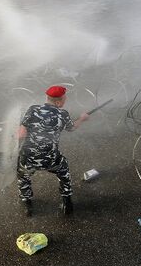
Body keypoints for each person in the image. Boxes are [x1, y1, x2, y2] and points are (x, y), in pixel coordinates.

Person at [17, 85, 89, 216]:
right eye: (64, 100)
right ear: (58, 102)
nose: (65, 102)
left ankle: (27, 205)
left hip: (29, 158)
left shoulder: (32, 109)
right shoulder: (63, 114)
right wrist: (82, 118)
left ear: (47, 98)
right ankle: (67, 203)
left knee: (23, 176)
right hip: (51, 158)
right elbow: (72, 128)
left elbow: (21, 135)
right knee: (64, 171)